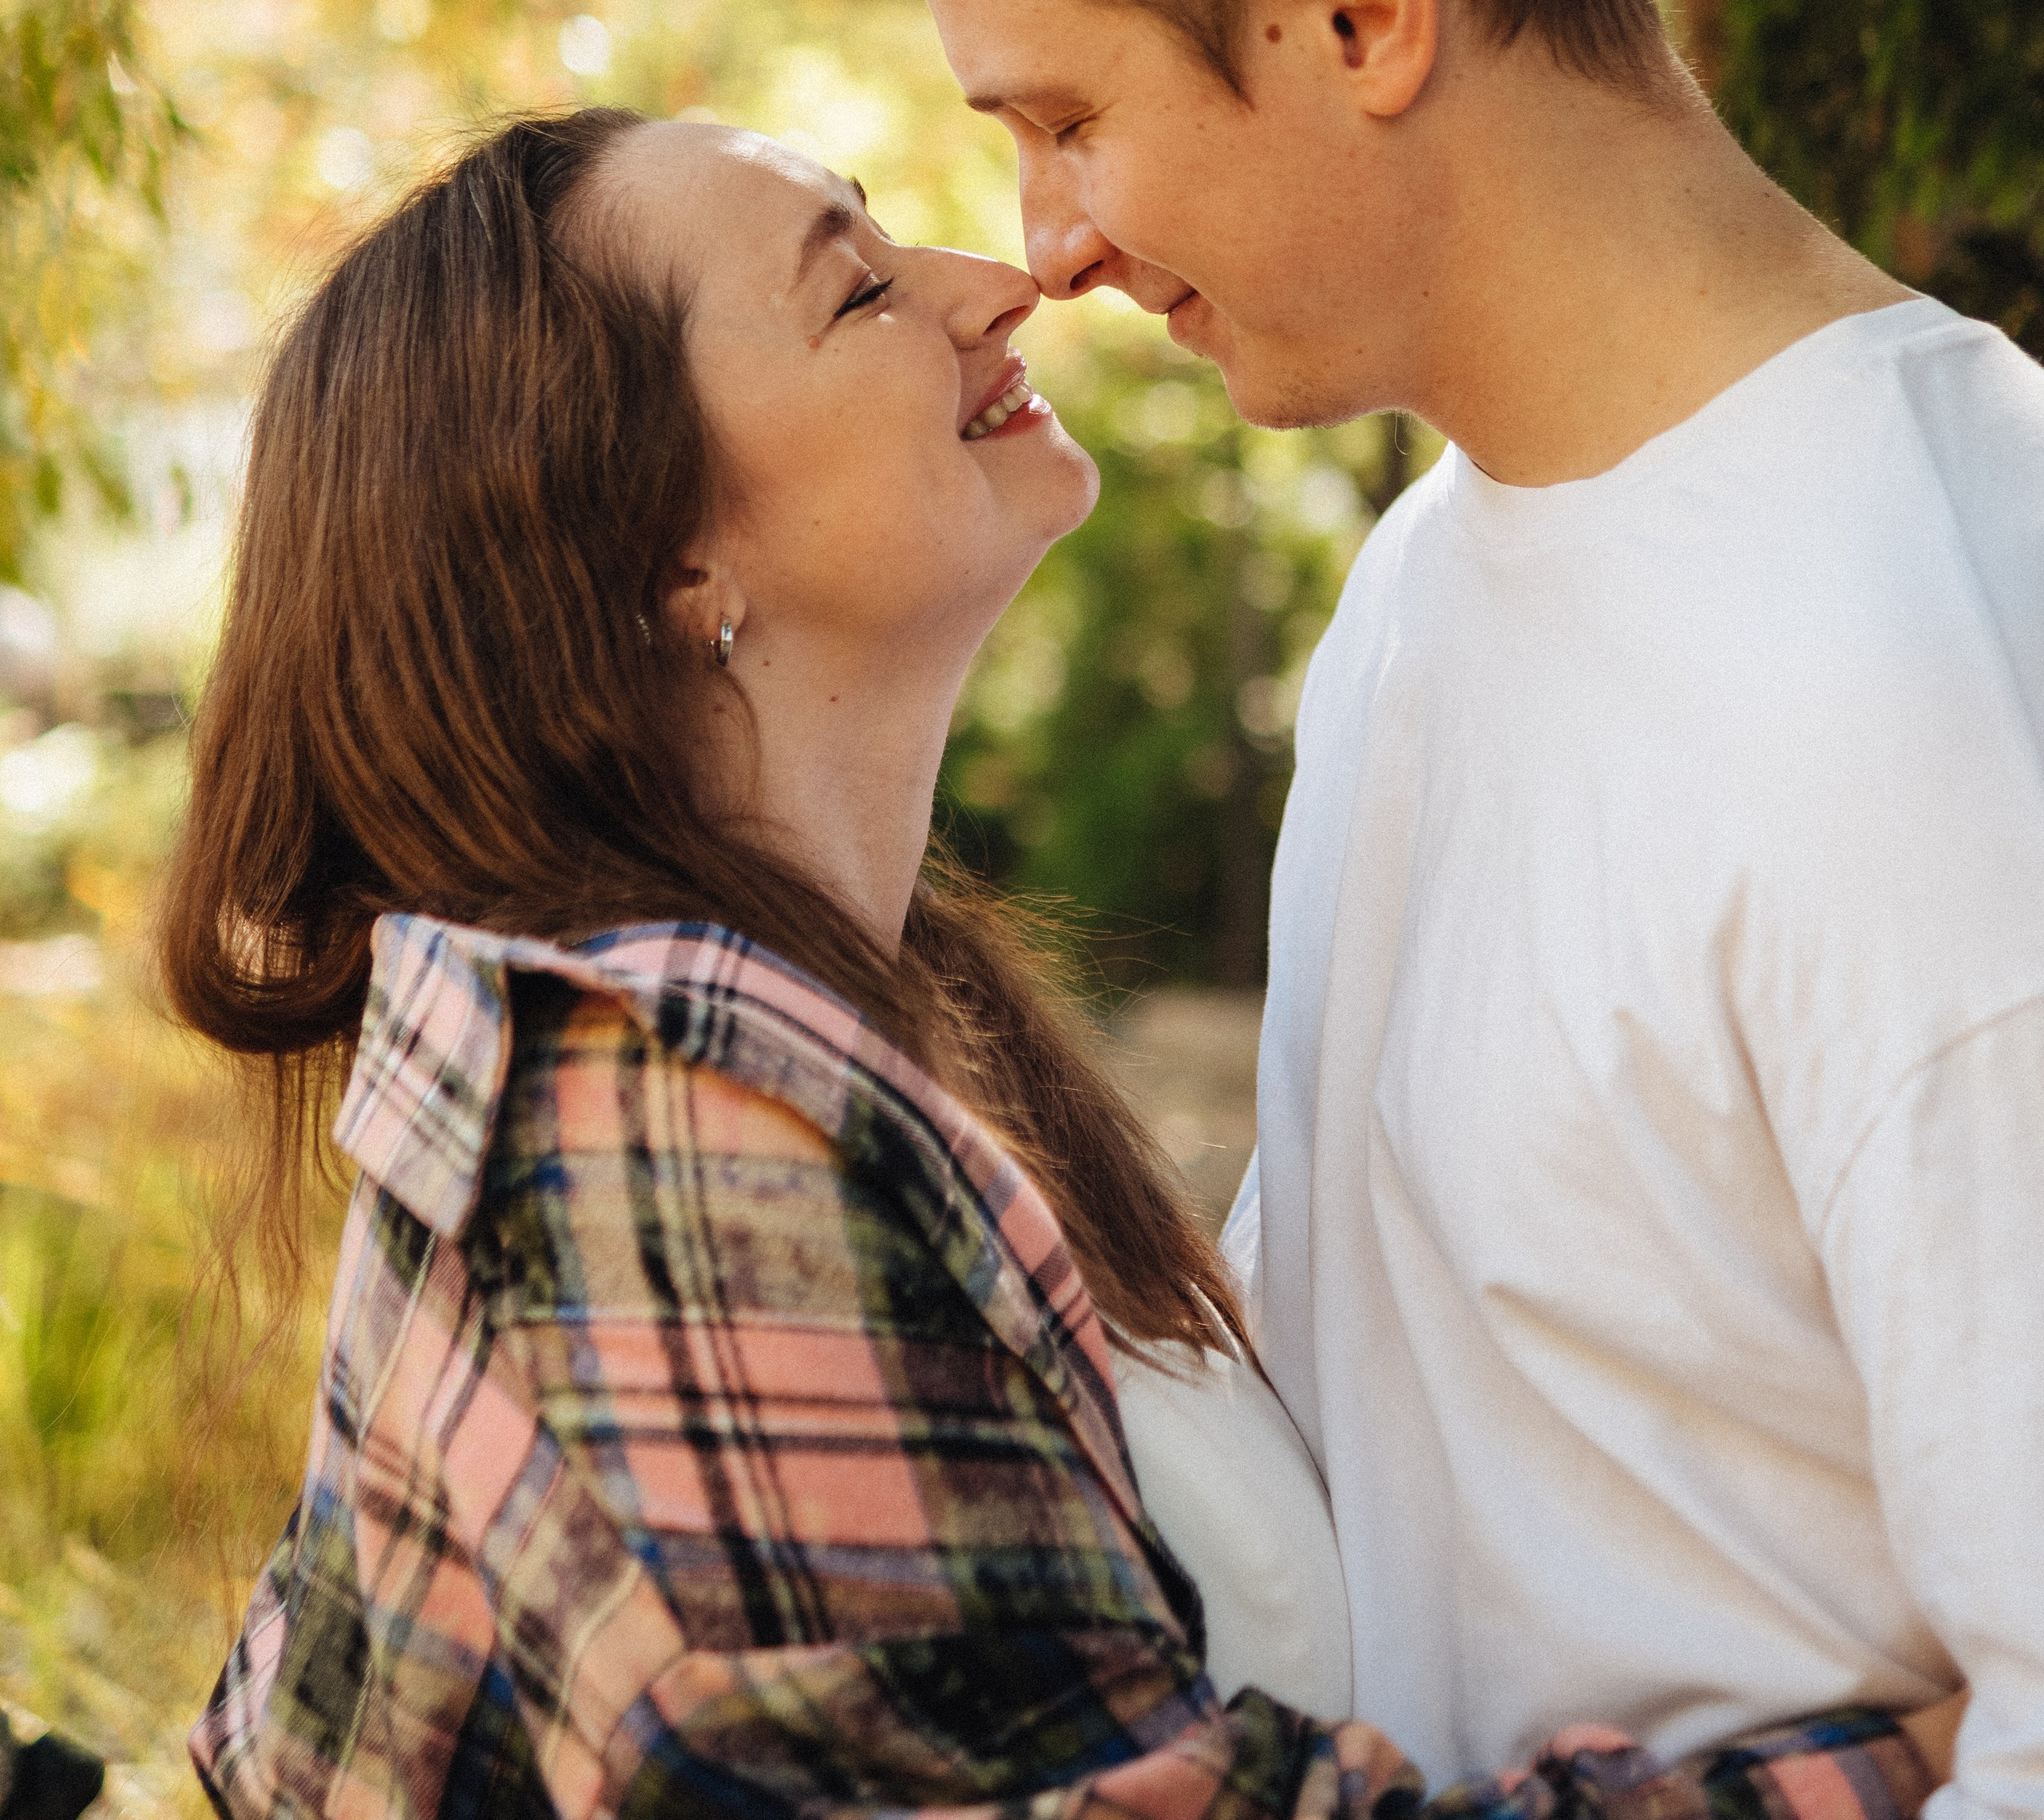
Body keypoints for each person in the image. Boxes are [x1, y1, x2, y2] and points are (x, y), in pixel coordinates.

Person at [160, 111, 1943, 1820]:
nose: (991, 281)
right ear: (661, 550)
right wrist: (1924, 1765)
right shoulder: (650, 1122)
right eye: (853, 289)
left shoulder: (869, 1035)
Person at [835, 0, 2042, 1820]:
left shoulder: (1927, 681)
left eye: (1065, 120)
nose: (1045, 245)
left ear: (1355, 5)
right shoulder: (1430, 576)